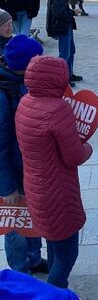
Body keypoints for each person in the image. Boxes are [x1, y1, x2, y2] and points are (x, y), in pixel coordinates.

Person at [14, 55, 93, 289]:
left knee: (53, 239)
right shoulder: (58, 109)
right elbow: (74, 156)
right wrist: (87, 146)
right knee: (67, 257)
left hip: (36, 187)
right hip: (58, 191)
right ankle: (55, 293)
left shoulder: (25, 101)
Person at [1, 35, 47, 276]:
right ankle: (20, 272)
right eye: (36, 59)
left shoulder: (26, 81)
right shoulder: (3, 94)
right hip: (12, 174)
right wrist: (7, 187)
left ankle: (35, 258)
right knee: (15, 224)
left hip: (30, 169)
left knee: (34, 216)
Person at [44, 0, 80, 87]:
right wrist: (73, 12)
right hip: (62, 26)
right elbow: (59, 13)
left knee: (71, 50)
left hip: (66, 24)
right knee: (65, 53)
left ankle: (69, 73)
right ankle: (61, 77)